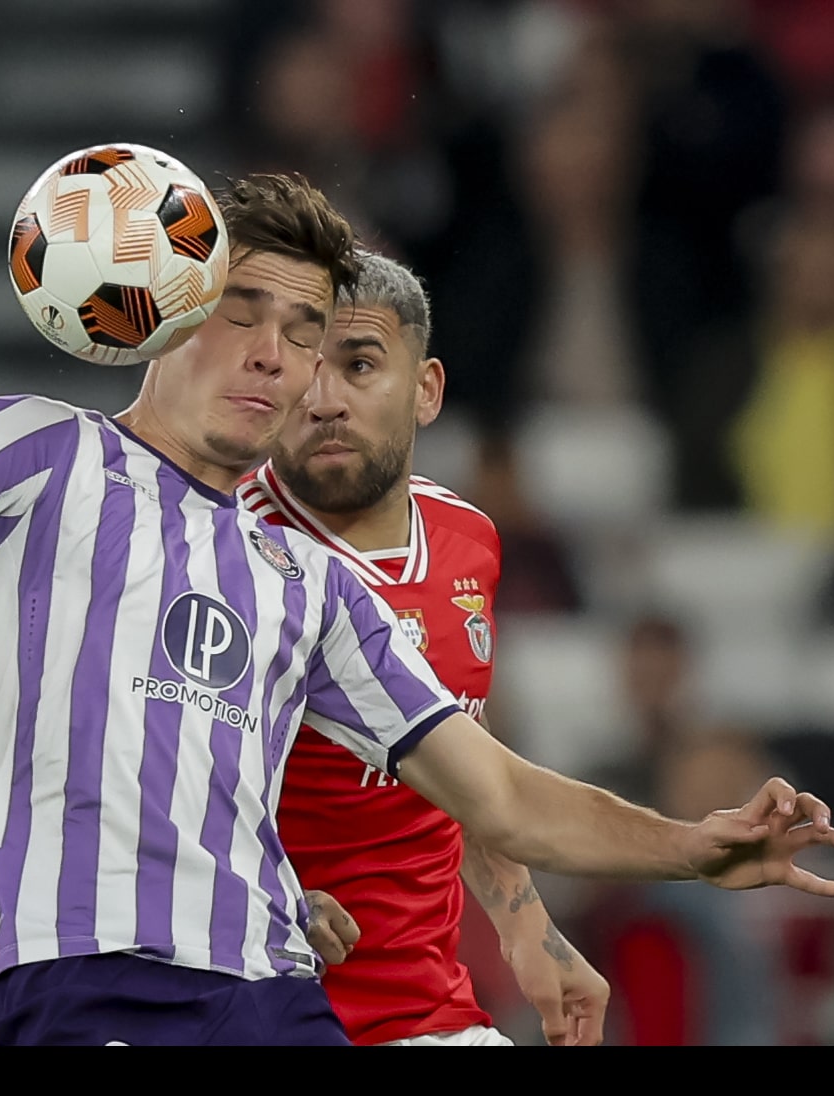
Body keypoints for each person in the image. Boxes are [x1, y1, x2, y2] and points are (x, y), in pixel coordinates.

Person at [0, 172, 834, 1047]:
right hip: (93, 984)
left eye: (306, 331)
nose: (277, 356)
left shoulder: (309, 581)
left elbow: (495, 793)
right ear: (165, 308)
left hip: (275, 1000)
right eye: (246, 311)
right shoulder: (33, 454)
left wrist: (696, 847)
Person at [240, 250, 608, 1046]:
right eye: (303, 366)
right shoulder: (206, 547)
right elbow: (53, 782)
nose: (324, 400)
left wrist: (527, 930)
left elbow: (457, 771)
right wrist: (254, 892)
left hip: (423, 1016)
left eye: (360, 363)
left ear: (426, 389)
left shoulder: (467, 541)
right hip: (247, 1012)